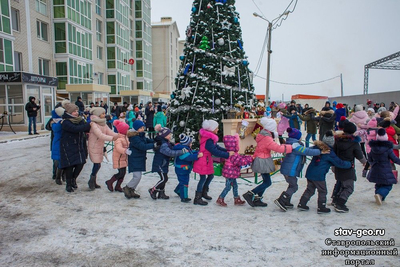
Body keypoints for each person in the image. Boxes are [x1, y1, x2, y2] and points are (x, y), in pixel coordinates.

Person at [243, 117, 293, 207]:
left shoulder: (263, 134)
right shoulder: (267, 138)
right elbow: (278, 148)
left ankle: (258, 198)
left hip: (261, 159)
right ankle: (250, 194)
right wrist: (291, 147)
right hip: (263, 160)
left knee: (266, 181)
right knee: (267, 182)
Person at [297, 131, 351, 213]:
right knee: (322, 191)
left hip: (310, 172)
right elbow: (339, 163)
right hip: (318, 175)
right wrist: (349, 164)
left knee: (310, 189)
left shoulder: (317, 147)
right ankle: (321, 207)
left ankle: (302, 203)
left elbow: (307, 150)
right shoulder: (329, 152)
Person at [274, 128, 325, 212]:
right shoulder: (295, 146)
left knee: (291, 185)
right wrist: (319, 151)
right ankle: (282, 200)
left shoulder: (294, 144)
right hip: (290, 170)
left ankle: (286, 201)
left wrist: (315, 148)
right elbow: (306, 151)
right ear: (297, 137)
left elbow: (305, 150)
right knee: (294, 186)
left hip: (288, 169)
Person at [193, 119, 232, 206]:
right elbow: (214, 151)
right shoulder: (208, 140)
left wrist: (227, 151)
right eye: (216, 128)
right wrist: (227, 155)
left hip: (206, 160)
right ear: (212, 129)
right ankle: (197, 198)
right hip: (203, 161)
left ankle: (204, 192)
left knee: (210, 176)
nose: (218, 130)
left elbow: (217, 147)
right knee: (202, 178)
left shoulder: (210, 139)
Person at [331, 119, 366, 213]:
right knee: (349, 187)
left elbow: (333, 152)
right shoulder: (354, 143)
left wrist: (333, 164)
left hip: (337, 165)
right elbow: (359, 155)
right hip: (348, 166)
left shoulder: (337, 140)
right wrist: (365, 163)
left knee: (341, 183)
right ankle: (340, 204)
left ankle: (335, 200)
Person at [149, 125, 186, 200]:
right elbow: (170, 153)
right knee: (164, 179)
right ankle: (153, 190)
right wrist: (181, 152)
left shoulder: (166, 142)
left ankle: (161, 192)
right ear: (164, 135)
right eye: (169, 135)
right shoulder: (163, 144)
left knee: (164, 177)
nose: (170, 136)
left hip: (164, 163)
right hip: (160, 163)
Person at [59, 103, 91, 192]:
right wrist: (88, 125)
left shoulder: (80, 120)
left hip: (80, 145)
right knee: (70, 165)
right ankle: (68, 184)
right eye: (74, 111)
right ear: (69, 112)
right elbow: (75, 129)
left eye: (77, 111)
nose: (76, 113)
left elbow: (84, 128)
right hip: (69, 146)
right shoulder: (65, 122)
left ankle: (73, 179)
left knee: (81, 163)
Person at [216, 134, 253, 207]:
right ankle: (220, 198)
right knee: (228, 187)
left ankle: (236, 198)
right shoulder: (233, 155)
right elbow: (240, 161)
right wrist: (250, 158)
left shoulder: (231, 153)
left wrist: (246, 156)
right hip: (230, 173)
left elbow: (240, 158)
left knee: (235, 186)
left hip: (231, 173)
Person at [87, 107, 118, 190]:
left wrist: (118, 135)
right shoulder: (93, 124)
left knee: (98, 164)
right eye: (103, 113)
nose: (105, 115)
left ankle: (93, 181)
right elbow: (100, 135)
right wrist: (112, 138)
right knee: (97, 164)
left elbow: (110, 132)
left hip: (100, 146)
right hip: (94, 146)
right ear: (98, 114)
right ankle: (91, 181)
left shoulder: (103, 123)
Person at [123, 120, 155, 199]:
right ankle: (128, 187)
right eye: (141, 128)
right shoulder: (134, 138)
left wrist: (156, 140)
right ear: (136, 128)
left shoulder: (140, 136)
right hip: (135, 159)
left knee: (138, 176)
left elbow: (147, 141)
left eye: (143, 127)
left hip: (139, 159)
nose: (143, 129)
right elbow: (142, 146)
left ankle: (131, 190)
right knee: (137, 176)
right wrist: (153, 145)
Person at [367, 128, 400, 205]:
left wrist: (372, 164)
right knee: (388, 184)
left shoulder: (373, 149)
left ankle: (379, 197)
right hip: (385, 169)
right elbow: (394, 159)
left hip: (375, 168)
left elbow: (369, 158)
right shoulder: (388, 149)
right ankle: (380, 195)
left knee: (379, 183)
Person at [173, 134, 203, 202]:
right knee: (184, 182)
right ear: (187, 144)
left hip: (184, 169)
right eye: (191, 143)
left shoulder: (186, 149)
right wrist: (197, 156)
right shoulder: (182, 150)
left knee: (183, 181)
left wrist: (196, 152)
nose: (191, 144)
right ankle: (184, 197)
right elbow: (188, 157)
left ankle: (178, 190)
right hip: (181, 169)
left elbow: (191, 153)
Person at [105, 120, 130, 192]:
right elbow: (119, 148)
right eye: (127, 129)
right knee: (121, 173)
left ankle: (118, 186)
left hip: (123, 158)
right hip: (119, 158)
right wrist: (125, 151)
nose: (128, 130)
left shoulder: (125, 137)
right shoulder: (119, 139)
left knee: (123, 173)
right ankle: (110, 181)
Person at [50, 106, 66, 185]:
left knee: (63, 161)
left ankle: (62, 175)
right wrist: (61, 122)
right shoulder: (55, 123)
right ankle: (57, 176)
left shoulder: (61, 122)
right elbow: (56, 129)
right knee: (58, 161)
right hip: (57, 144)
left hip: (63, 143)